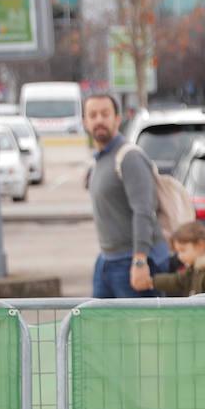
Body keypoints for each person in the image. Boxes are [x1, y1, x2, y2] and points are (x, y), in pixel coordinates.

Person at [83, 92, 169, 298]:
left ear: (117, 119)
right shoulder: (100, 160)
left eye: (105, 114)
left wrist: (140, 261)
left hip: (134, 261)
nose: (99, 120)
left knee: (140, 330)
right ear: (85, 122)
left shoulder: (129, 157)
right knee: (100, 329)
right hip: (107, 261)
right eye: (92, 115)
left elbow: (143, 211)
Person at [141, 221, 205, 296]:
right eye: (177, 252)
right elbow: (177, 281)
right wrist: (151, 281)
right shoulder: (195, 269)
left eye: (183, 250)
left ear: (200, 245)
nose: (179, 256)